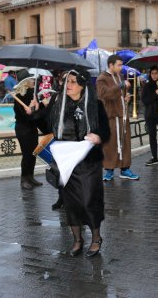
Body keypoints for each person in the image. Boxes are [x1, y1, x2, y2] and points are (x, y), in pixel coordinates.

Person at [46, 68, 110, 257]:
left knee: (90, 200)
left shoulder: (95, 105)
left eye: (73, 82)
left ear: (82, 86)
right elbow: (44, 125)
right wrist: (35, 109)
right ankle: (77, 240)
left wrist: (98, 137)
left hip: (88, 162)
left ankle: (96, 238)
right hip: (66, 162)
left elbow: (106, 131)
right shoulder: (58, 103)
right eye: (66, 82)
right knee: (71, 203)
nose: (68, 85)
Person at [96, 54, 139, 181]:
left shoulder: (119, 76)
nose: (121, 67)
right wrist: (121, 86)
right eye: (119, 65)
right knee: (110, 143)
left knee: (124, 143)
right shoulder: (101, 79)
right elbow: (105, 94)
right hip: (111, 116)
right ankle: (109, 170)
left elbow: (120, 94)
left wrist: (125, 97)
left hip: (122, 115)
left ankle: (125, 169)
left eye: (121, 65)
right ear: (111, 65)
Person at [13, 76, 45, 189]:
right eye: (32, 80)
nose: (35, 82)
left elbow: (38, 113)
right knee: (26, 154)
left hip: (32, 128)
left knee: (33, 153)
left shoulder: (33, 96)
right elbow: (22, 116)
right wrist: (30, 111)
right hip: (23, 128)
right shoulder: (19, 97)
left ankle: (30, 177)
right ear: (25, 82)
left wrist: (38, 107)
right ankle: (24, 179)